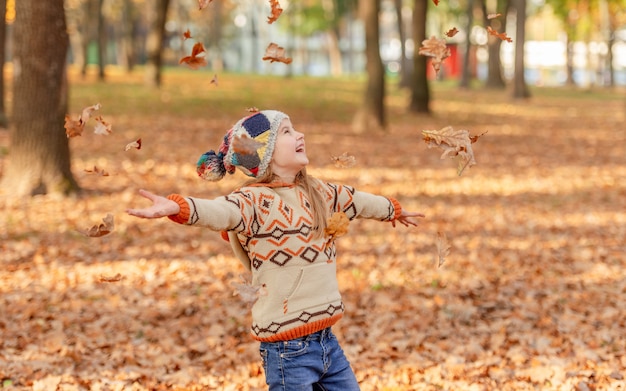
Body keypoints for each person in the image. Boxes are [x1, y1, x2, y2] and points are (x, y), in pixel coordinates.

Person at [126, 110, 425, 390]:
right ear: (263, 153)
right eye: (286, 131)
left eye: (294, 128)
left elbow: (357, 201)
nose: (300, 135)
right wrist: (179, 207)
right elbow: (220, 212)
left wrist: (392, 210)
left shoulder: (320, 193)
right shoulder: (253, 201)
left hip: (327, 342)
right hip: (286, 352)